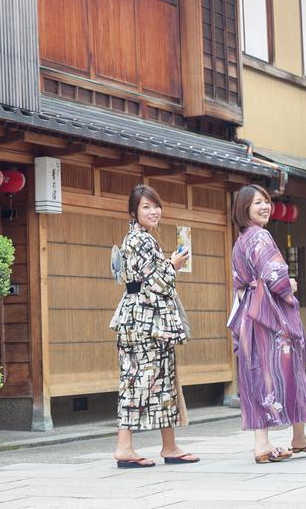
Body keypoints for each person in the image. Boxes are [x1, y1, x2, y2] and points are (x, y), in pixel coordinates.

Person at [228, 185, 306, 464]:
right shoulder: (260, 236)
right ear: (244, 208)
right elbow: (276, 278)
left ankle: (292, 438)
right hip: (269, 316)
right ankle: (267, 444)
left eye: (266, 202)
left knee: (257, 373)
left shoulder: (241, 240)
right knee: (281, 372)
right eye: (258, 203)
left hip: (250, 314)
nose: (265, 207)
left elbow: (244, 281)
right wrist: (289, 285)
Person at [109, 184, 197, 468]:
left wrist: (170, 265)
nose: (153, 211)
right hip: (145, 322)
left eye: (156, 206)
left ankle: (168, 446)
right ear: (133, 212)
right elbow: (156, 283)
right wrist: (172, 264)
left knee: (158, 381)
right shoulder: (140, 240)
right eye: (146, 207)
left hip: (140, 319)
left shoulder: (140, 238)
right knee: (140, 381)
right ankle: (126, 447)